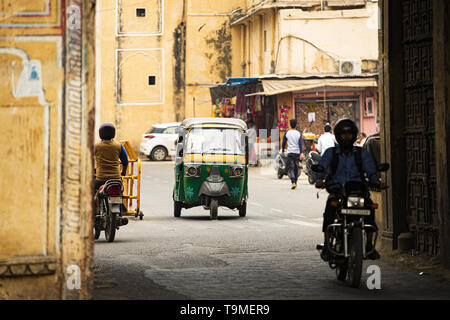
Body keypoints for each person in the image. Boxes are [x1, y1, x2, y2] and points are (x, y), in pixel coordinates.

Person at [315, 119, 382, 261]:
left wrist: (378, 182)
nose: (346, 137)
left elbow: (371, 171)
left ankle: (369, 245)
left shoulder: (361, 153)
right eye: (343, 134)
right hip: (338, 191)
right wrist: (319, 180)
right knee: (329, 213)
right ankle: (327, 244)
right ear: (338, 136)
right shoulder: (330, 153)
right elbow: (322, 166)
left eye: (349, 134)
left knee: (369, 209)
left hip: (357, 191)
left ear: (354, 135)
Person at [94, 123, 129, 195]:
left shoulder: (96, 146)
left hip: (101, 179)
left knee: (92, 190)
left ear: (100, 133)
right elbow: (125, 161)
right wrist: (123, 172)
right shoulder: (118, 146)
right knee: (120, 195)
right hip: (116, 179)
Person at [282, 119, 304, 189]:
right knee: (296, 168)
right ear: (296, 124)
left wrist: (282, 149)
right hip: (297, 153)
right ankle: (296, 182)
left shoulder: (287, 133)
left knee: (291, 168)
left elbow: (283, 142)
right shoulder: (298, 133)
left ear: (290, 125)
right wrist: (301, 153)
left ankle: (293, 182)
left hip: (290, 152)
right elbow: (300, 144)